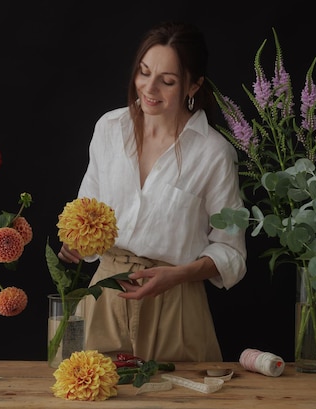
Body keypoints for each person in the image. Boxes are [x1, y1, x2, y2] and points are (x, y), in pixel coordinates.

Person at [57, 21, 247, 362]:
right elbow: (87, 209)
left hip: (176, 306)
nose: (149, 88)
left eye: (168, 80)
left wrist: (178, 275)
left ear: (193, 85)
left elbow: (231, 252)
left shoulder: (214, 153)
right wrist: (77, 241)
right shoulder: (109, 130)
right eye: (144, 73)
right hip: (105, 298)